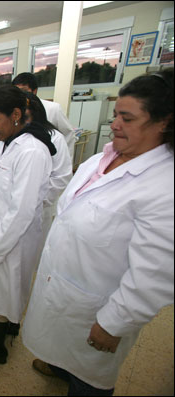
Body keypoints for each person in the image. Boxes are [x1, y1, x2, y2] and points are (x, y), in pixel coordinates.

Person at [22, 70, 174, 395]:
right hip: (67, 286)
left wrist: (114, 323)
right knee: (63, 346)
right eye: (116, 114)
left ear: (163, 122)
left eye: (127, 118)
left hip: (99, 306)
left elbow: (156, 275)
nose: (114, 123)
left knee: (90, 378)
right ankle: (60, 366)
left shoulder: (165, 187)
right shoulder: (101, 159)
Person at [0, 86, 56, 367]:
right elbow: (1, 193)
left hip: (11, 239)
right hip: (4, 232)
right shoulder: (12, 143)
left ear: (15, 115)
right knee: (4, 292)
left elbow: (22, 209)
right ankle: (0, 329)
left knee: (4, 292)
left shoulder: (31, 151)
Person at [23, 91, 73, 242]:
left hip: (40, 207)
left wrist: (33, 199)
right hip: (14, 207)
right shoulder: (13, 138)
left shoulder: (55, 138)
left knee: (34, 252)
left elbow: (61, 178)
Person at [12, 72, 76, 160]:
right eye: (16, 91)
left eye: (23, 90)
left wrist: (64, 158)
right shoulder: (13, 111)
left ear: (35, 90)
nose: (19, 94)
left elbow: (68, 133)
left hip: (50, 156)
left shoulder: (53, 108)